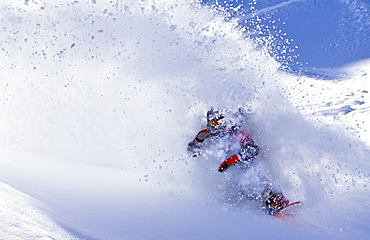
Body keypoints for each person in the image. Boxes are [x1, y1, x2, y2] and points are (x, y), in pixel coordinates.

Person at [187, 108, 259, 172]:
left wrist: (232, 160)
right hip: (224, 177)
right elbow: (192, 154)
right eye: (213, 123)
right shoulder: (207, 134)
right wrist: (198, 141)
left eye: (220, 122)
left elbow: (253, 149)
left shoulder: (236, 132)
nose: (217, 127)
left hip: (247, 171)